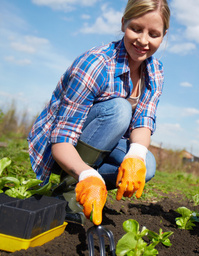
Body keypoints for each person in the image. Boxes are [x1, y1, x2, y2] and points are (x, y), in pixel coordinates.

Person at [27, 0, 170, 226]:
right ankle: (68, 192)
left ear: (163, 35)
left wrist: (135, 157)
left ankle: (91, 188)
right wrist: (87, 174)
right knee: (119, 109)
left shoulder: (154, 71)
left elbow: (144, 120)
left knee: (147, 164)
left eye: (153, 34)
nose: (143, 40)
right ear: (123, 24)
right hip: (60, 149)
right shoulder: (96, 64)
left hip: (98, 145)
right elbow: (61, 140)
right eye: (136, 29)